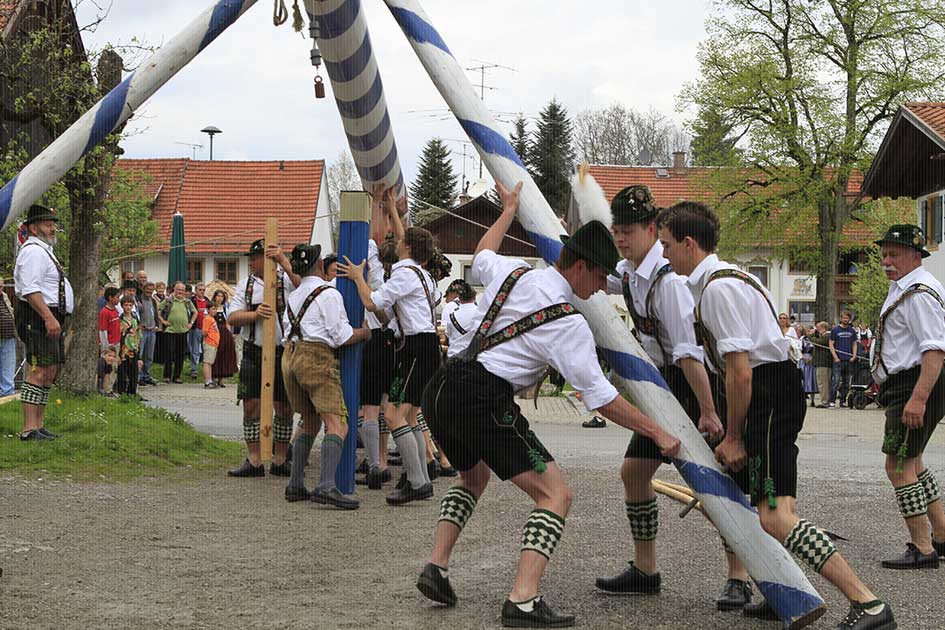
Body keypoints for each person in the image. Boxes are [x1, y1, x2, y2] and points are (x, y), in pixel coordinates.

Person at [413, 181, 680, 628]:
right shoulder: (567, 323)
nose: (601, 288)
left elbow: (481, 254)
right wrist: (658, 432)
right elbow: (601, 399)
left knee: (472, 477)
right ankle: (522, 599)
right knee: (556, 494)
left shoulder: (515, 272)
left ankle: (435, 567)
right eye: (598, 277)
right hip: (482, 396)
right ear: (578, 267)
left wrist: (508, 210)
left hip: (441, 385)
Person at [657, 200, 895, 630]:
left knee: (775, 513)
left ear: (688, 243)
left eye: (667, 245)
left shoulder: (717, 288)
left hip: (767, 391)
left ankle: (869, 603)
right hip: (771, 387)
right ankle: (781, 586)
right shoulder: (725, 278)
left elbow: (740, 372)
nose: (664, 254)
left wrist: (732, 435)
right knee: (747, 501)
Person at [594, 185, 744, 611]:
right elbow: (594, 274)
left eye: (628, 231)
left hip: (695, 385)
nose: (621, 239)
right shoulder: (628, 272)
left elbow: (689, 353)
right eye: (615, 231)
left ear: (651, 229)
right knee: (634, 472)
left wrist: (711, 411)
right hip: (661, 385)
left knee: (718, 482)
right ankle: (646, 570)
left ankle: (740, 576)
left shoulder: (670, 281)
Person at [337, 219, 442, 505]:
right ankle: (417, 475)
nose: (395, 243)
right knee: (408, 417)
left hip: (417, 348)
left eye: (400, 241)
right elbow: (389, 315)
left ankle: (418, 481)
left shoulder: (405, 274)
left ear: (407, 247)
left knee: (394, 416)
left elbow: (373, 303)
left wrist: (359, 276)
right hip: (424, 346)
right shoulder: (424, 276)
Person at [869, 225, 945, 570]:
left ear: (916, 256)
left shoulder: (918, 292)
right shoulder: (908, 287)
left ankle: (923, 547)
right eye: (884, 254)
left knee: (897, 466)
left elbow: (934, 349)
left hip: (914, 384)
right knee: (912, 462)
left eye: (894, 254)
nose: (887, 261)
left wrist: (918, 398)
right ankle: (941, 534)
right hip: (907, 382)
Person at [282, 244, 370, 507]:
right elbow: (341, 336)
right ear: (320, 265)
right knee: (338, 424)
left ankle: (295, 483)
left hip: (290, 356)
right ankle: (326, 485)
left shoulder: (295, 295)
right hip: (316, 358)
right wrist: (365, 333)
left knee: (309, 421)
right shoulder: (329, 293)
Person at [227, 239, 299, 478]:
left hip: (282, 350)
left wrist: (284, 261)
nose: (251, 262)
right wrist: (254, 314)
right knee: (251, 405)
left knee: (284, 406)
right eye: (250, 258)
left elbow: (303, 284)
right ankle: (254, 460)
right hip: (253, 350)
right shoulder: (245, 284)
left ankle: (280, 459)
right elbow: (232, 317)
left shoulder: (285, 280)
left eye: (254, 258)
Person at [14, 205, 74, 441]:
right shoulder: (33, 251)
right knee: (38, 370)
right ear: (33, 227)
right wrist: (48, 317)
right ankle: (29, 429)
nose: (53, 228)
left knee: (49, 371)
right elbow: (30, 289)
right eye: (48, 224)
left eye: (53, 224)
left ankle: (38, 424)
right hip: (38, 317)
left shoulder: (43, 250)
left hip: (47, 317)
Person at [355, 186, 399, 489]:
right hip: (393, 342)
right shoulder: (407, 271)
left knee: (369, 407)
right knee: (384, 405)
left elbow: (371, 238)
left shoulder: (375, 275)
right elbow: (388, 237)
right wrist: (388, 207)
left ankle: (374, 465)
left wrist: (375, 204)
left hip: (374, 338)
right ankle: (382, 461)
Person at [159, 282, 197, 384]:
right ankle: (167, 376)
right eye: (178, 289)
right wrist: (163, 321)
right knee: (169, 354)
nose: (180, 292)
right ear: (174, 290)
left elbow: (195, 312)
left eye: (182, 290)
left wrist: (191, 323)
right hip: (170, 331)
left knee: (181, 354)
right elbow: (158, 310)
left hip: (183, 331)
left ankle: (177, 376)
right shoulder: (168, 301)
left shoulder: (187, 302)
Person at [829, 311, 858, 407]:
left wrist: (854, 356)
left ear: (849, 319)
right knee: (836, 381)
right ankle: (832, 401)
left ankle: (843, 401)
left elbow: (854, 344)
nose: (845, 320)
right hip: (838, 360)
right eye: (844, 318)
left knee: (846, 383)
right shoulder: (835, 330)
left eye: (847, 318)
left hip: (849, 360)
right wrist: (835, 357)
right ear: (841, 318)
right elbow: (831, 344)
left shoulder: (852, 330)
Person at [210, 289, 237, 387]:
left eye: (222, 296)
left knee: (224, 356)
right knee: (214, 355)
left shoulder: (226, 307)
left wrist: (230, 334)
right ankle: (213, 377)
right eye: (218, 296)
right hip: (214, 332)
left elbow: (228, 322)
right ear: (215, 297)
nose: (220, 298)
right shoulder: (211, 307)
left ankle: (221, 379)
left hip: (224, 333)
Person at [115, 295, 141, 397]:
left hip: (134, 347)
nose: (128, 307)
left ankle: (132, 392)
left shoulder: (135, 318)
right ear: (122, 306)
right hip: (123, 348)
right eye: (126, 305)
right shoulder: (120, 319)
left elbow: (138, 333)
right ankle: (122, 392)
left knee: (134, 371)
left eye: (130, 305)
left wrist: (138, 349)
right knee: (122, 371)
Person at [442, 279, 477, 350]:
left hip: (455, 352)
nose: (446, 300)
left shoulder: (449, 308)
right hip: (474, 352)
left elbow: (446, 333)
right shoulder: (480, 311)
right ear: (474, 297)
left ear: (458, 296)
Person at [137, 282, 159, 386]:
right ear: (144, 289)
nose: (149, 291)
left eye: (151, 289)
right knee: (140, 354)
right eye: (148, 289)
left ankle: (147, 375)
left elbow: (155, 314)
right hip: (143, 331)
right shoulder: (139, 300)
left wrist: (156, 325)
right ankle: (139, 376)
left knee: (149, 355)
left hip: (152, 331)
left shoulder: (153, 301)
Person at [0, 277, 17, 397]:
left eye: (1, 287)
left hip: (8, 335)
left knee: (8, 364)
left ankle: (7, 393)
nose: (1, 289)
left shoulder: (4, 296)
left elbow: (10, 311)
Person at [810, 321, 833, 407]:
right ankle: (824, 400)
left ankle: (824, 401)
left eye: (818, 328)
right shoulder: (822, 336)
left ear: (823, 328)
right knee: (822, 383)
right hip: (820, 363)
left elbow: (817, 342)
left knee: (823, 383)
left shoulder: (827, 336)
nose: (817, 330)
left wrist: (810, 335)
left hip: (824, 363)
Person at [188, 283, 209, 378]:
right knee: (195, 350)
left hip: (206, 329)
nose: (202, 292)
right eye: (200, 290)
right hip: (195, 328)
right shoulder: (191, 300)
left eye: (203, 290)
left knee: (206, 350)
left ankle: (206, 370)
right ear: (196, 290)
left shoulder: (208, 301)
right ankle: (194, 370)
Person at [202, 302, 221, 388]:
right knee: (207, 362)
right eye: (213, 309)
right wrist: (209, 338)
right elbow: (204, 332)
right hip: (209, 342)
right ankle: (207, 381)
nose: (215, 311)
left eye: (216, 309)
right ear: (208, 309)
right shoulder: (207, 319)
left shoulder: (212, 318)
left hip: (214, 343)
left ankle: (209, 380)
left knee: (210, 362)